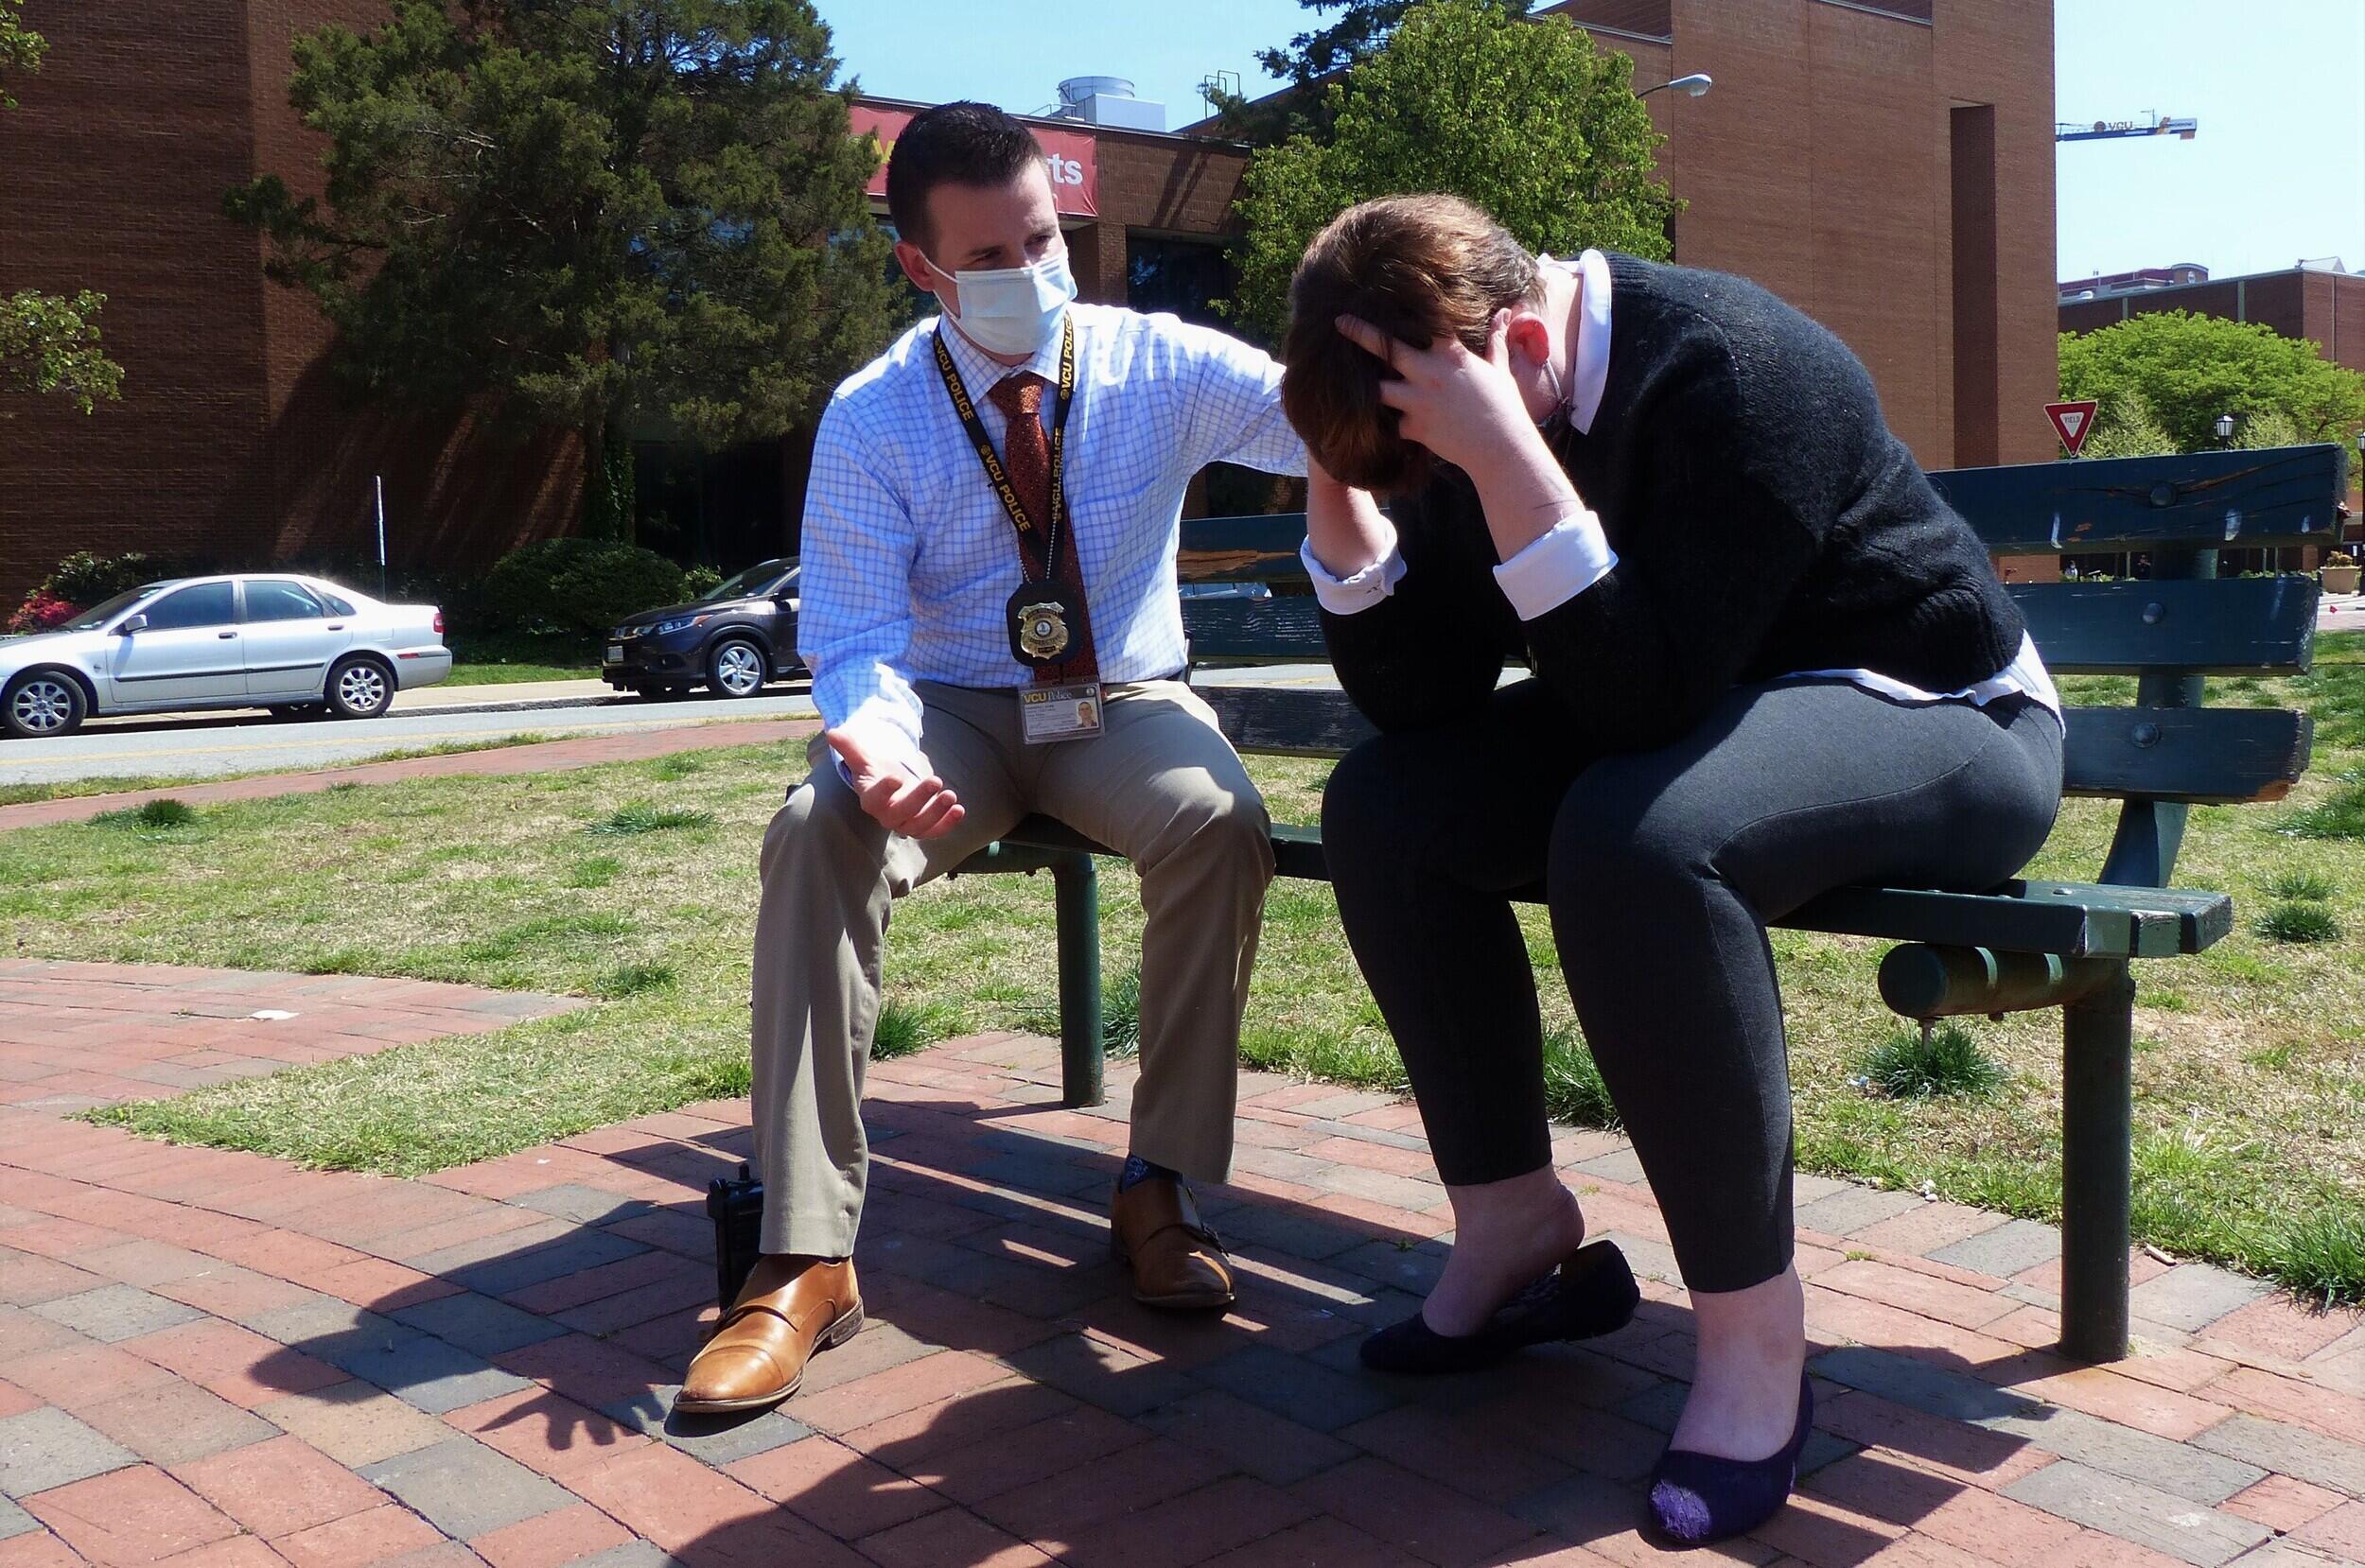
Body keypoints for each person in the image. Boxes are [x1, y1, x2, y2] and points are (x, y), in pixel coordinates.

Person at [1277, 195, 2064, 1544]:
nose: (1441, 470)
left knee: (1638, 841)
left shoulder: (1737, 366)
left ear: (1518, 338)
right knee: (1386, 809)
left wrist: (1504, 454)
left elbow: (1642, 698)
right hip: (1706, 703)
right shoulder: (1458, 403)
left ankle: (1756, 1338)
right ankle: (1514, 1226)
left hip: (1941, 712)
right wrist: (1348, 496)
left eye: (1431, 441)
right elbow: (1426, 701)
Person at [678, 102, 1305, 1414]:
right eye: (995, 257)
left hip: (1119, 694)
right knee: (814, 826)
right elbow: (850, 632)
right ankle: (805, 1252)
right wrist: (876, 749)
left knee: (1220, 817)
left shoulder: (1156, 364)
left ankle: (1164, 1185)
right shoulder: (874, 415)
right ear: (921, 266)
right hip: (948, 706)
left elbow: (1316, 424)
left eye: (1048, 236)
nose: (1037, 272)